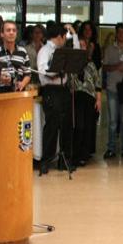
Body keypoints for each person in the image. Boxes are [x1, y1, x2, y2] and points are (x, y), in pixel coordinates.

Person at [36, 23, 71, 173]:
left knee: (65, 125)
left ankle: (63, 160)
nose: (65, 40)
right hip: (51, 90)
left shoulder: (61, 51)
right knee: (51, 126)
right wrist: (57, 71)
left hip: (63, 89)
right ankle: (46, 160)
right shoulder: (45, 50)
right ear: (60, 36)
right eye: (64, 37)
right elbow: (43, 70)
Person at [102, 23, 123, 160]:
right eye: (119, 32)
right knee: (112, 121)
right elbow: (104, 67)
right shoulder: (110, 49)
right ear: (116, 34)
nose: (121, 34)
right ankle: (110, 148)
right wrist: (116, 66)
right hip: (111, 88)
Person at [71, 48, 102, 167]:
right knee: (79, 126)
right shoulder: (72, 64)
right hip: (76, 97)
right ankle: (76, 154)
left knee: (88, 126)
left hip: (89, 97)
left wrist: (99, 100)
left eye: (84, 46)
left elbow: (97, 83)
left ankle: (85, 155)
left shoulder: (91, 65)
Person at [0, 20, 31, 94]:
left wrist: (22, 84)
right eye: (8, 30)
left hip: (18, 93)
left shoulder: (23, 51)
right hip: (0, 94)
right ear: (2, 34)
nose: (11, 33)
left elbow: (28, 73)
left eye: (14, 30)